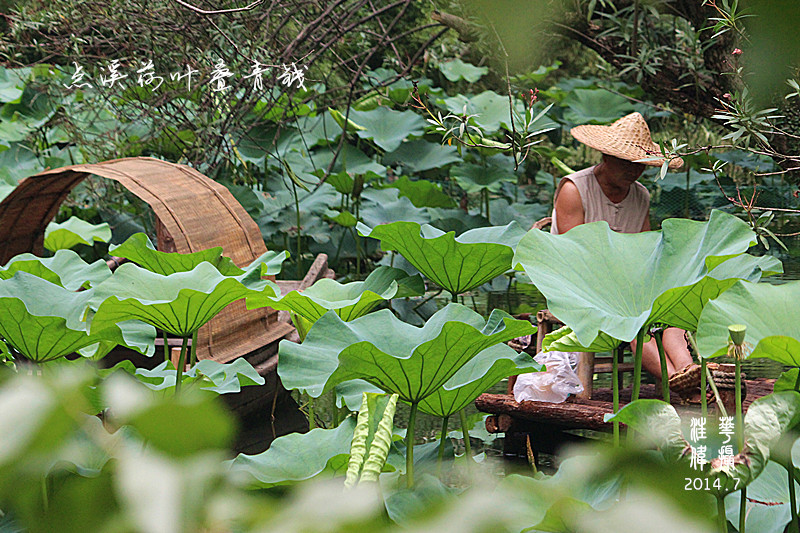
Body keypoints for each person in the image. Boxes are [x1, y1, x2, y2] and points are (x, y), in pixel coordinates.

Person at [549, 111, 700, 399]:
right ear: (606, 157)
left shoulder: (641, 195)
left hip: (629, 287)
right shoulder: (574, 189)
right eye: (626, 163)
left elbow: (644, 253)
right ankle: (680, 384)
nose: (634, 171)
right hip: (579, 289)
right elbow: (570, 258)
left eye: (640, 165)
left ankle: (689, 374)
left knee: (674, 313)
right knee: (634, 326)